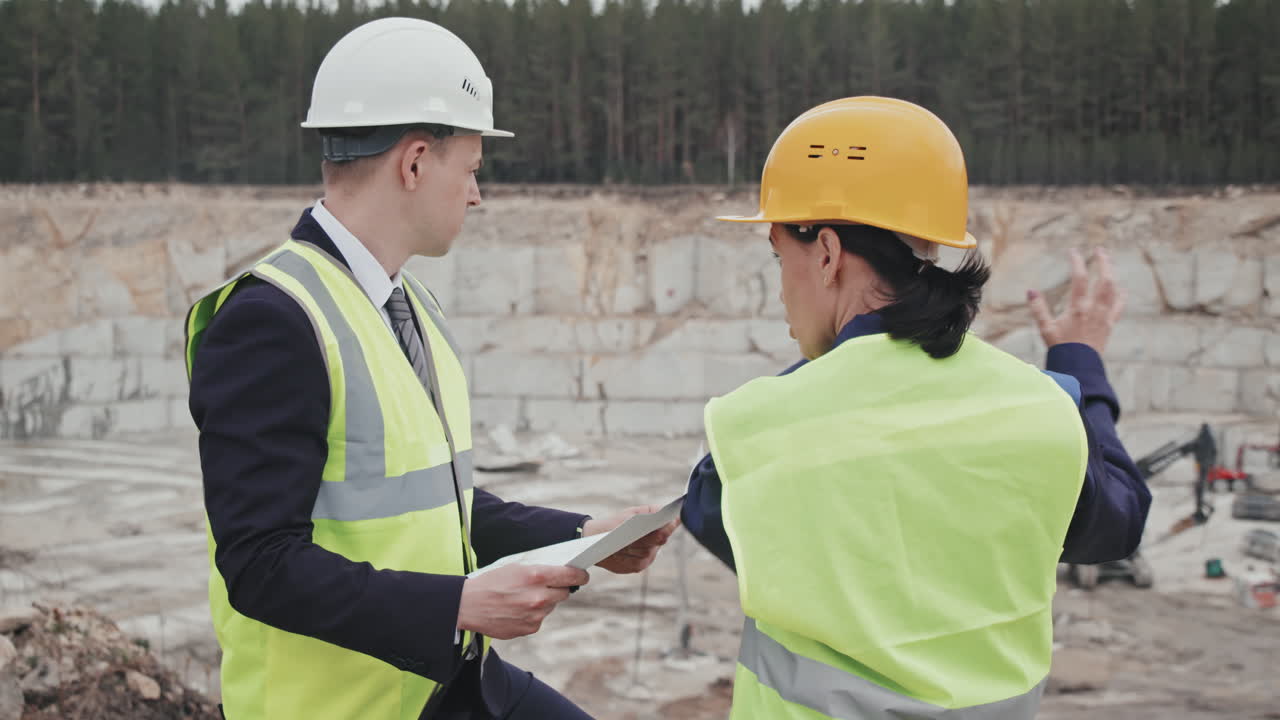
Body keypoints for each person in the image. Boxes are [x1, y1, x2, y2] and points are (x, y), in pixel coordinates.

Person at [185, 18, 675, 720]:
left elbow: (434, 506)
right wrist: (458, 604)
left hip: (443, 685)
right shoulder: (273, 321)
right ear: (414, 163)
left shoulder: (408, 304)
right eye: (471, 169)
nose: (477, 195)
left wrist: (585, 536)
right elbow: (260, 564)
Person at [681, 96, 1151, 719]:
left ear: (826, 253)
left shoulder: (761, 427)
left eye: (779, 255)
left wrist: (841, 364)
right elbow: (1120, 521)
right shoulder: (1043, 406)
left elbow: (709, 508)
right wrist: (1079, 365)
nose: (781, 286)